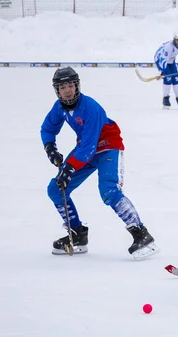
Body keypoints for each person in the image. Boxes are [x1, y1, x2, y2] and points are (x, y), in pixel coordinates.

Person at [41, 66, 159, 260]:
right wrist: (50, 149)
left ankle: (141, 234)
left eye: (70, 85)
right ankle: (77, 235)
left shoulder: (90, 107)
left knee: (109, 190)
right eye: (63, 87)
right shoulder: (59, 107)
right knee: (55, 189)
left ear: (77, 85)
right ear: (57, 90)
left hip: (108, 146)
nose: (68, 90)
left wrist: (68, 169)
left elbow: (88, 148)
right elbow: (47, 128)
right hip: (86, 148)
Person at [154, 31, 178, 110]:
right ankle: (165, 98)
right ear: (174, 40)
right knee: (168, 78)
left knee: (176, 78)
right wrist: (161, 71)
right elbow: (163, 59)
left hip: (171, 60)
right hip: (160, 59)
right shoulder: (169, 46)